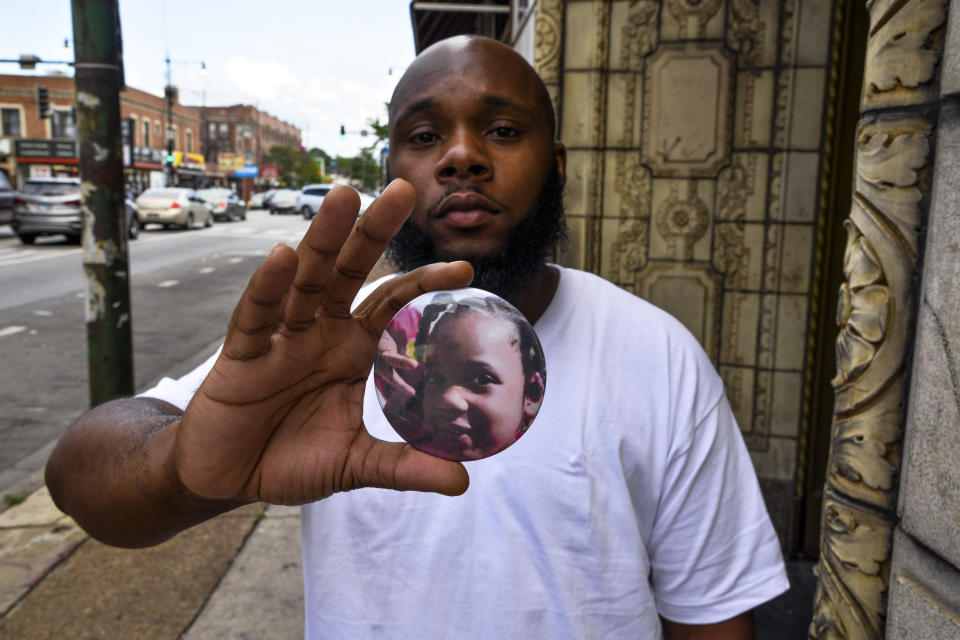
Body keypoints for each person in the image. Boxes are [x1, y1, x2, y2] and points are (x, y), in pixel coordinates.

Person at [46, 35, 788, 639]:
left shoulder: (655, 351)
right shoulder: (330, 346)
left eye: (503, 129)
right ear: (392, 170)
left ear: (555, 167)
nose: (461, 157)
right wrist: (184, 468)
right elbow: (80, 480)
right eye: (425, 135)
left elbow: (712, 614)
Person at [375, 290, 546, 461]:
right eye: (434, 378)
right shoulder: (409, 401)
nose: (448, 399)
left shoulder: (541, 451)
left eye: (482, 380)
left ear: (532, 392)